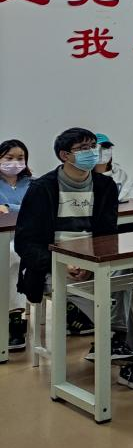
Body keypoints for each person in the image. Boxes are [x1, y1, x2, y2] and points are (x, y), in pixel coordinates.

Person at [15, 128, 133, 389]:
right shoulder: (42, 188)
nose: (92, 152)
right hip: (52, 266)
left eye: (93, 146)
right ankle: (125, 356)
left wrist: (91, 264)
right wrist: (61, 262)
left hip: (93, 262)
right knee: (104, 293)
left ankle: (115, 343)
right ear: (64, 155)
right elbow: (26, 243)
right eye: (83, 148)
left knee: (121, 276)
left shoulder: (105, 186)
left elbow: (107, 235)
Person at [2, 139, 33, 352]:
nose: (15, 162)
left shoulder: (33, 183)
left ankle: (15, 319)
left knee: (14, 255)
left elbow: (36, 208)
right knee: (10, 255)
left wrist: (7, 206)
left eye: (20, 158)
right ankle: (13, 316)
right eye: (9, 158)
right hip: (2, 238)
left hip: (28, 237)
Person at [92, 134, 133, 201]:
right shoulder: (85, 177)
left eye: (106, 146)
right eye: (96, 147)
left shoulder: (121, 175)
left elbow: (132, 194)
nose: (101, 150)